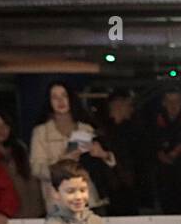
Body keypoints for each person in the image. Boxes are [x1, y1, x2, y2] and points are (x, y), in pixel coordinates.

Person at [29, 81, 116, 212]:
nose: (60, 101)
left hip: (90, 199)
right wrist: (62, 161)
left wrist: (102, 154)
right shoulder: (41, 132)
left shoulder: (86, 128)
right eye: (55, 97)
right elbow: (36, 169)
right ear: (49, 101)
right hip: (59, 202)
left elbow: (110, 163)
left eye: (64, 95)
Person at [0, 108, 44, 218]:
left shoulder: (19, 149)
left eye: (5, 125)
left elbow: (31, 180)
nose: (1, 129)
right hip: (1, 217)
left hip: (31, 214)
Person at [152, 87, 181, 214]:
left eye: (177, 102)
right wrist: (159, 154)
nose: (173, 106)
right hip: (164, 183)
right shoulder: (154, 124)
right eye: (169, 102)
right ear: (163, 103)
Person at [95, 91, 140, 216]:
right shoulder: (103, 131)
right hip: (111, 189)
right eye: (129, 105)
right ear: (118, 105)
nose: (131, 109)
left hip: (127, 188)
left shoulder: (129, 130)